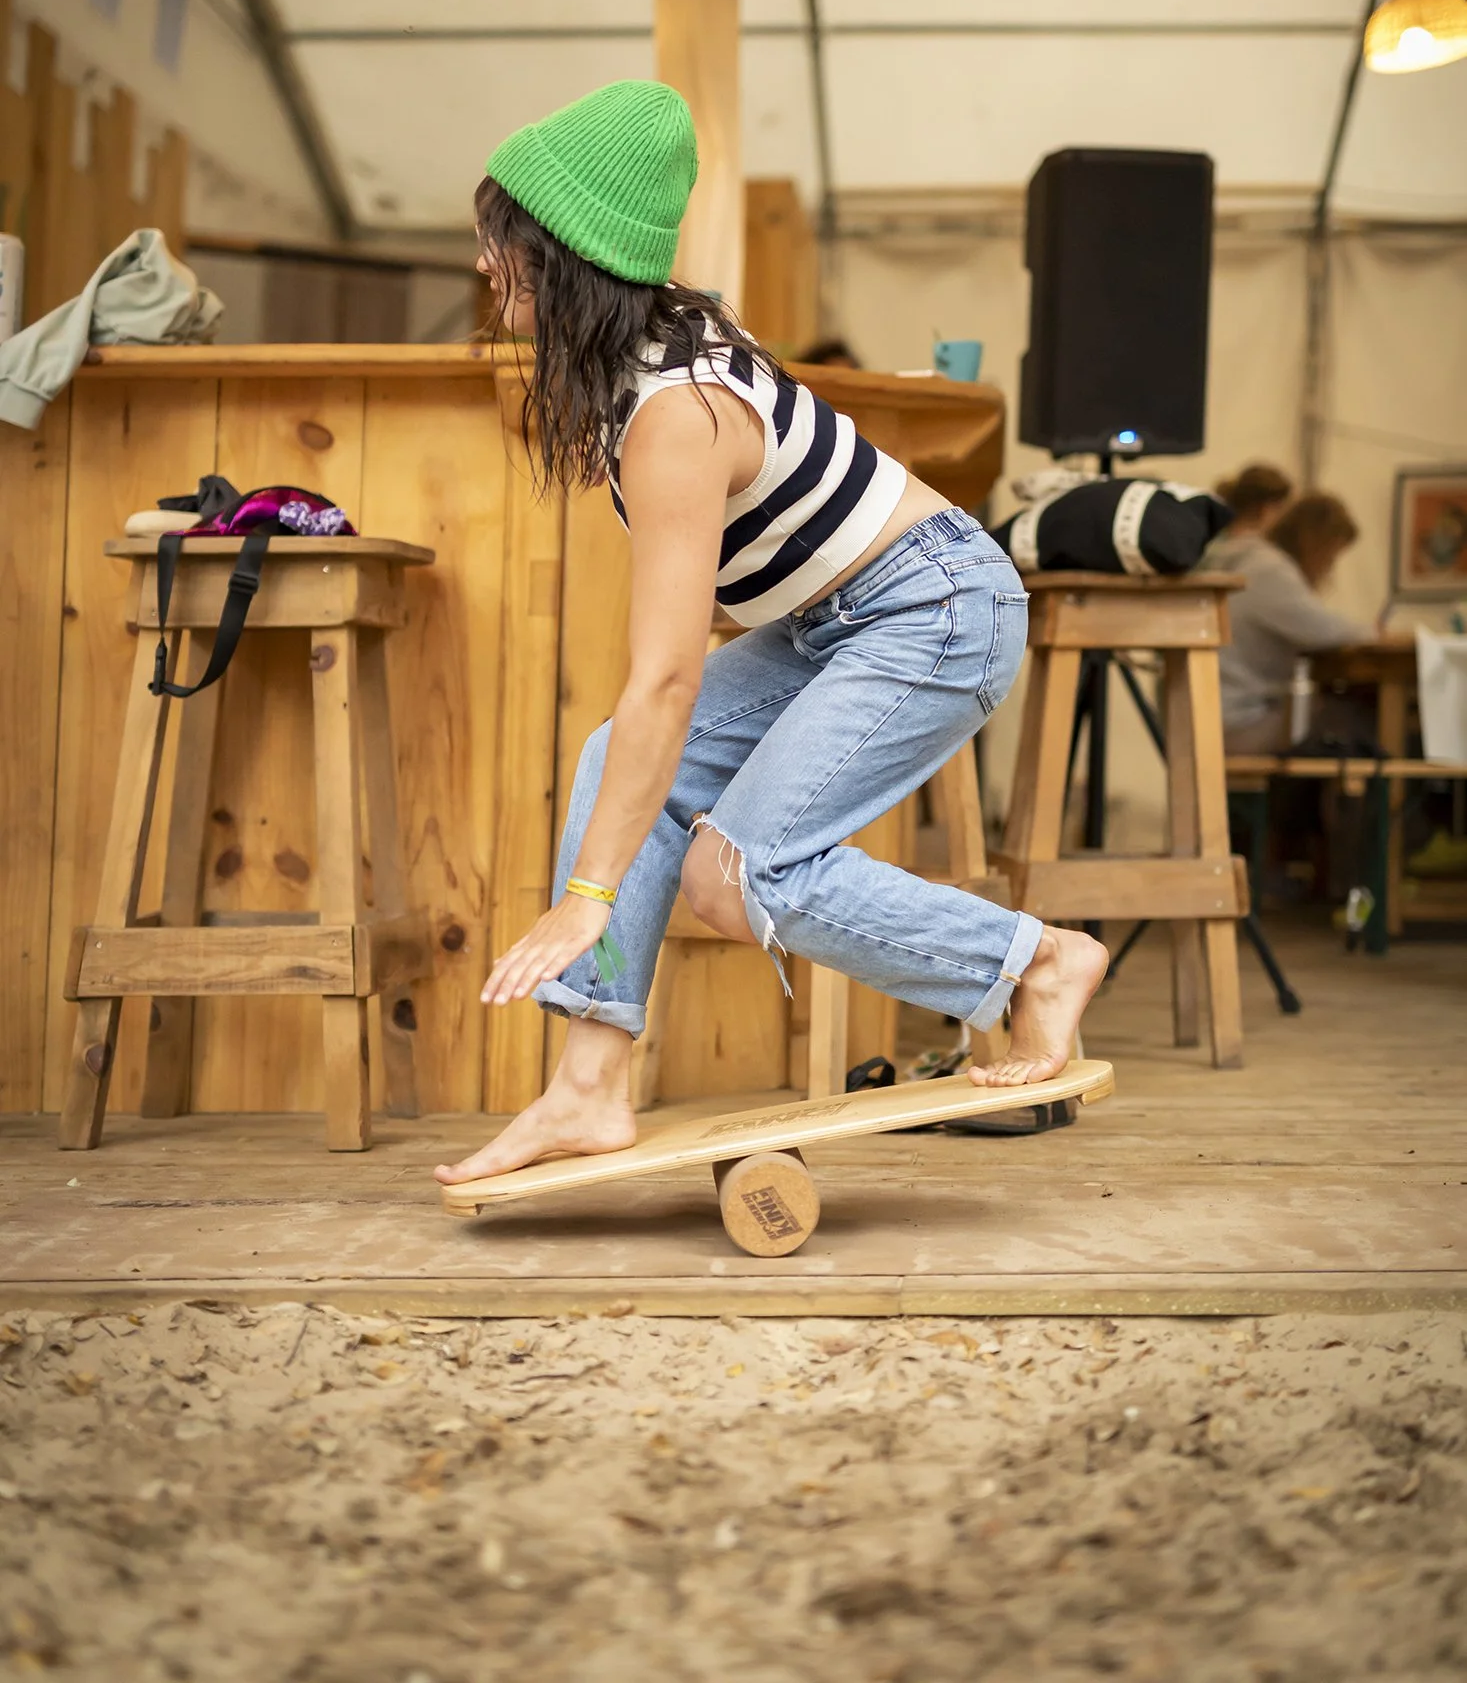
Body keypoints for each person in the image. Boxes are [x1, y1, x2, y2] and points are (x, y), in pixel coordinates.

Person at [436, 82, 1106, 1187]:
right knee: (621, 764)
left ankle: (1036, 959)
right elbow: (677, 668)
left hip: (935, 610)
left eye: (498, 243)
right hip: (835, 624)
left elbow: (666, 677)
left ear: (562, 253)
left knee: (739, 873)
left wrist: (585, 897)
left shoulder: (676, 413)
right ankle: (590, 1088)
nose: (483, 267)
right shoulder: (644, 366)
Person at [1218, 491, 1373, 754]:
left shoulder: (1251, 559)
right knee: (1356, 720)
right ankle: (1391, 792)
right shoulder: (1271, 570)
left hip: (1220, 712)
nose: (1330, 568)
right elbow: (1321, 629)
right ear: (1317, 544)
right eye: (1331, 556)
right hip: (1237, 721)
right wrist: (1372, 632)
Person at [1202, 463, 1294, 562]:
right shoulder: (1261, 557)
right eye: (1280, 508)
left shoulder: (1211, 543)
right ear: (1264, 509)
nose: (1283, 518)